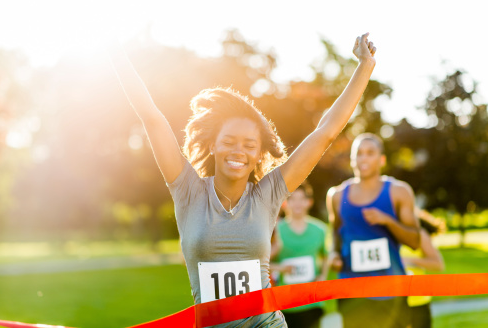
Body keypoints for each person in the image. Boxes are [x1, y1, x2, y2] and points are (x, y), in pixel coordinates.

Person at [108, 33, 376, 327]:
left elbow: (324, 132)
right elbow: (152, 118)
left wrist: (365, 66)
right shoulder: (187, 190)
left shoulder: (268, 194)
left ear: (260, 153)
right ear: (213, 145)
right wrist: (114, 51)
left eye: (250, 145)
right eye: (230, 141)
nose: (239, 151)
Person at [326, 133, 421, 328]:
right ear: (352, 160)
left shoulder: (399, 192)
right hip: (351, 292)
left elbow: (415, 241)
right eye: (359, 154)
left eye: (370, 153)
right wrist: (335, 254)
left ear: (382, 159)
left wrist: (388, 221)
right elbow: (335, 234)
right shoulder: (336, 196)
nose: (364, 158)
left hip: (391, 290)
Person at [271, 182, 329, 328]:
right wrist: (280, 268)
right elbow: (259, 263)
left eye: (301, 199)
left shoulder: (320, 229)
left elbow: (327, 256)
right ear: (285, 203)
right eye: (292, 199)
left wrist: (323, 276)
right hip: (285, 304)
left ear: (309, 202)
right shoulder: (275, 231)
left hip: (313, 302)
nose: (297, 203)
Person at [400, 209, 445, 328]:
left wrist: (409, 261)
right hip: (392, 303)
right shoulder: (384, 232)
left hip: (417, 301)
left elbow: (438, 265)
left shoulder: (419, 234)